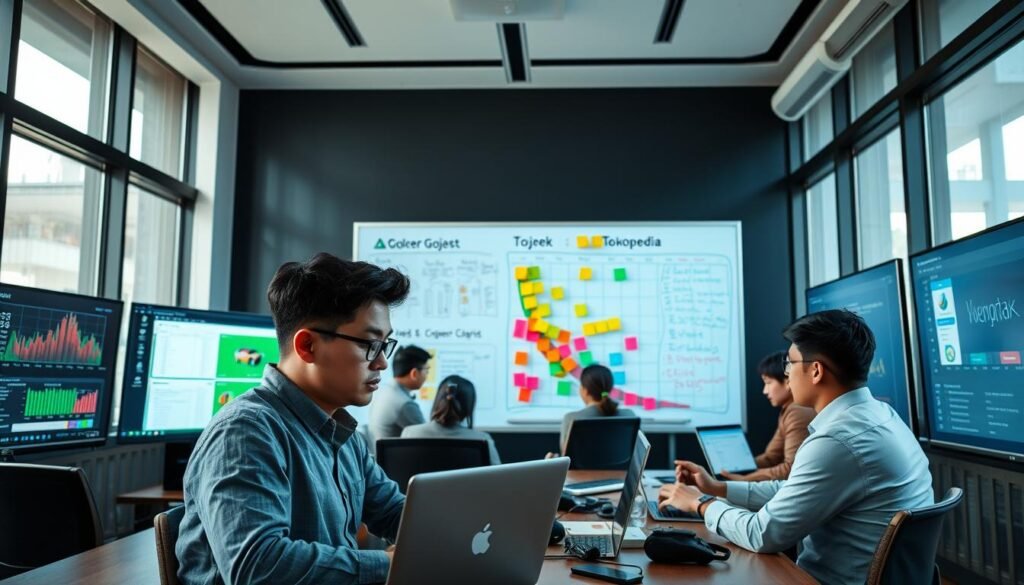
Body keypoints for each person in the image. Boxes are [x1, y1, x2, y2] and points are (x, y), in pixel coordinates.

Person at [176, 253, 410, 585]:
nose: (383, 362)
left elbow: (398, 514)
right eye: (371, 345)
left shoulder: (344, 438)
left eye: (386, 345)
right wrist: (386, 564)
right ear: (308, 346)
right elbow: (257, 567)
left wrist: (467, 535)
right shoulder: (245, 432)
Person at [658, 309, 932, 585]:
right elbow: (793, 490)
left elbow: (762, 534)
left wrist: (699, 504)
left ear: (815, 371)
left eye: (790, 364)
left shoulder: (837, 441)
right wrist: (718, 488)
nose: (787, 374)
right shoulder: (883, 415)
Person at [720, 351, 814, 481]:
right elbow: (771, 457)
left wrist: (744, 479)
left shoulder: (797, 412)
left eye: (768, 382)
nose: (765, 391)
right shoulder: (788, 410)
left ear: (788, 381)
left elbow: (791, 468)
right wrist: (739, 468)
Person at [400, 375, 502, 465]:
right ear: (468, 407)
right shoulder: (482, 440)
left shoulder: (410, 433)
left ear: (437, 400)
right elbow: (497, 479)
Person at [556, 364, 637, 455]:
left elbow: (567, 457)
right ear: (610, 388)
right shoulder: (629, 416)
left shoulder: (571, 419)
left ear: (585, 391)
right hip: (622, 470)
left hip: (582, 469)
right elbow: (637, 454)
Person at [368, 345, 431, 447]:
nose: (427, 375)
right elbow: (429, 439)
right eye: (426, 370)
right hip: (397, 461)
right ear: (414, 373)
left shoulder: (384, 391)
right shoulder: (405, 404)